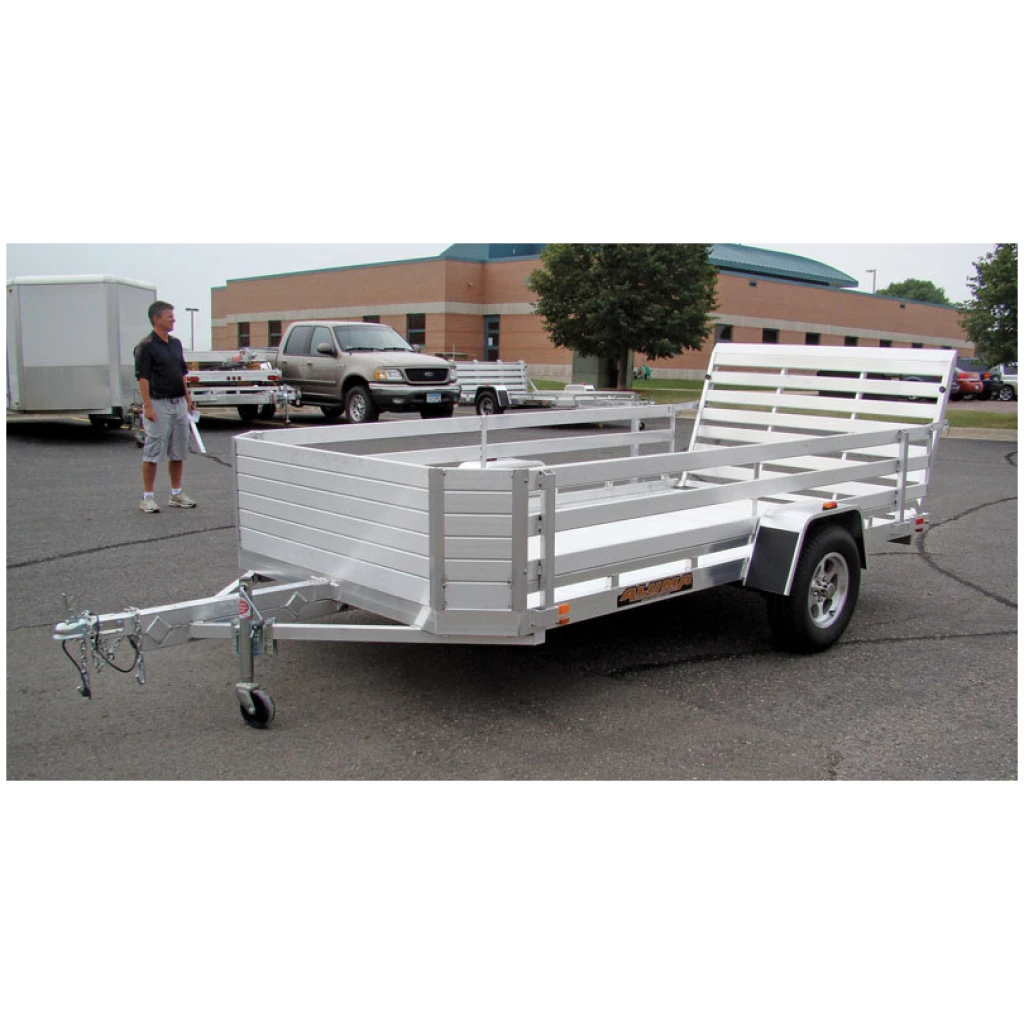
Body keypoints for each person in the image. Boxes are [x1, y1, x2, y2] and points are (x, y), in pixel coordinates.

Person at [134, 301, 197, 512]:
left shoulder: (176, 344)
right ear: (156, 319)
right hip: (158, 403)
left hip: (178, 403)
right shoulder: (146, 346)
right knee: (153, 451)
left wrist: (187, 399)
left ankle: (176, 493)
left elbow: (181, 374)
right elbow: (143, 379)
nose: (173, 320)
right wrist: (148, 406)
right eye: (169, 316)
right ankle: (147, 497)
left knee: (178, 450)